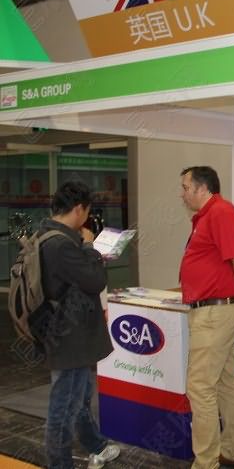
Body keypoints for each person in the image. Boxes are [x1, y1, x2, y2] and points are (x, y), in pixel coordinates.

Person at [178, 166, 234, 469]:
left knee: (200, 387)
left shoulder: (220, 213)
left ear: (202, 188)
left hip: (215, 313)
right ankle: (231, 450)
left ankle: (206, 463)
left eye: (185, 187)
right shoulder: (208, 216)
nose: (182, 194)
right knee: (225, 381)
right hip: (214, 310)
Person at [39, 181, 120, 469]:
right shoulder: (61, 244)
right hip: (69, 337)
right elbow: (95, 280)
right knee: (64, 406)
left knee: (80, 396)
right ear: (78, 209)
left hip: (68, 333)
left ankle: (95, 444)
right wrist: (89, 246)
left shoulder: (46, 235)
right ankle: (59, 463)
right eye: (87, 211)